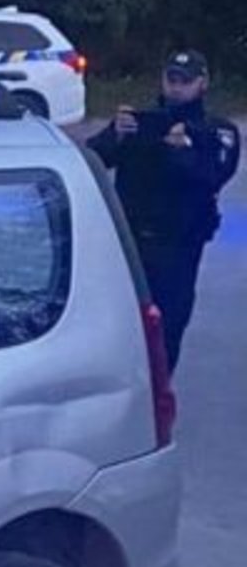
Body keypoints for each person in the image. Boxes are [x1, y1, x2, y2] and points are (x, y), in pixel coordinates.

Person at [88, 50, 238, 369]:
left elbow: (214, 176)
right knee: (119, 326)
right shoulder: (139, 123)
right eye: (172, 79)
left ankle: (159, 390)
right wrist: (116, 134)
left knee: (167, 329)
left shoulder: (216, 131)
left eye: (185, 81)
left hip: (178, 248)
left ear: (203, 83)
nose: (177, 87)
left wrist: (184, 151)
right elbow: (92, 161)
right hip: (130, 243)